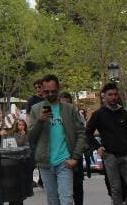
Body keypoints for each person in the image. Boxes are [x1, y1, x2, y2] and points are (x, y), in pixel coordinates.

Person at [28, 75, 86, 205]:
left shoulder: (69, 108)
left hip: (65, 162)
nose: (50, 94)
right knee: (53, 201)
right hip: (45, 162)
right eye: (47, 91)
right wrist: (40, 121)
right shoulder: (36, 109)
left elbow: (81, 133)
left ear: (58, 89)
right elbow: (31, 137)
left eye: (53, 91)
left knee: (66, 201)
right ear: (42, 90)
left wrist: (75, 157)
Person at [86, 82, 127, 205]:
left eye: (115, 94)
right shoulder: (98, 114)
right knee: (116, 188)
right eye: (110, 95)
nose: (113, 97)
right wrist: (97, 147)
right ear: (104, 96)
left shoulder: (124, 113)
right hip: (110, 155)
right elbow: (87, 133)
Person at [59, 91, 86, 205]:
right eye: (63, 103)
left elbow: (81, 133)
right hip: (60, 156)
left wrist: (76, 155)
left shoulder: (76, 114)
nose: (66, 106)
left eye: (68, 103)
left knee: (77, 186)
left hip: (74, 154)